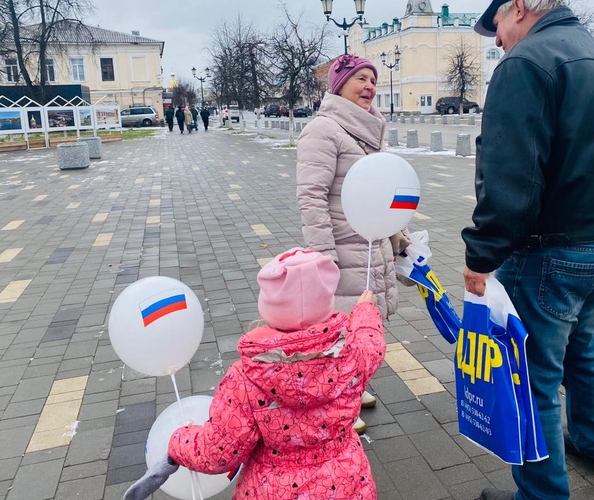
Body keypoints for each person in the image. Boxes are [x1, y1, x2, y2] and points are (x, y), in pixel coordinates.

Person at [462, 0, 594, 500]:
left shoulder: (527, 63)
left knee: (532, 378)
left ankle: (542, 493)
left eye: (498, 28)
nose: (500, 42)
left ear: (518, 8)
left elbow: (511, 173)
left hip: (549, 250)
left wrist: (482, 253)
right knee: (582, 346)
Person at [123, 248, 385, 500]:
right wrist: (365, 311)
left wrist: (180, 439)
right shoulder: (354, 354)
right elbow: (371, 339)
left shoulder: (246, 379)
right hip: (347, 483)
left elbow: (219, 452)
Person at [296, 54, 405, 434]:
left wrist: (399, 236)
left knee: (362, 325)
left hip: (372, 245)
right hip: (342, 247)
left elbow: (382, 193)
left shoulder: (368, 129)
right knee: (340, 328)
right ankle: (337, 402)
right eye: (360, 78)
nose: (369, 87)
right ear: (339, 84)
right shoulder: (324, 130)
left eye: (373, 80)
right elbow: (312, 197)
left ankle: (353, 389)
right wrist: (323, 257)